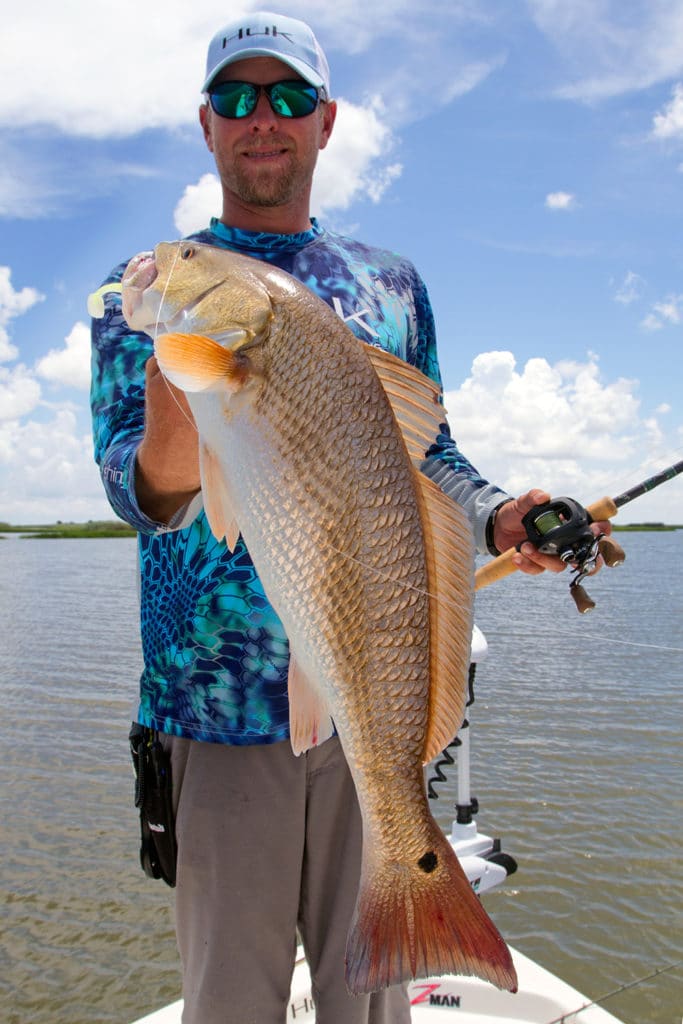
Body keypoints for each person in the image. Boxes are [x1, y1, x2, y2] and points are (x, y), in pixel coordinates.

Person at [90, 12, 610, 1024]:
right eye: (236, 99)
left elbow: (433, 455)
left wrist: (503, 516)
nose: (261, 119)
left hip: (369, 695)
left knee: (367, 1005)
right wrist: (178, 395)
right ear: (205, 125)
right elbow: (138, 494)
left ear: (325, 122)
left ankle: (418, 892)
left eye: (286, 97)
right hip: (214, 711)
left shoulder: (392, 287)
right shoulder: (139, 293)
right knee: (230, 1005)